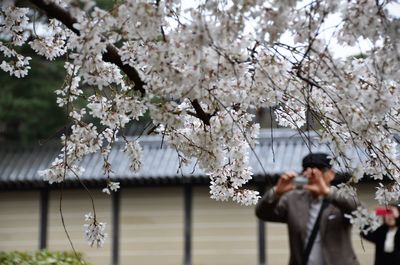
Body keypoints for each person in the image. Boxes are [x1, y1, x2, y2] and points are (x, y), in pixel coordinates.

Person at [255, 153, 360, 265]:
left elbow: (358, 210)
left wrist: (327, 192)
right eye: (307, 170)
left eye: (320, 170)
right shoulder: (293, 199)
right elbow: (262, 213)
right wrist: (277, 192)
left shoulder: (341, 197)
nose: (314, 175)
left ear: (331, 174)